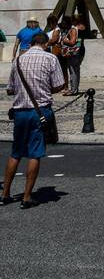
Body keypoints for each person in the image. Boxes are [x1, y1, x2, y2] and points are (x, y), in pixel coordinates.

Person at [3, 31, 67, 209]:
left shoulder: (18, 60)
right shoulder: (50, 59)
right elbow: (59, 84)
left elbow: (10, 89)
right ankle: (27, 196)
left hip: (20, 112)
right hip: (40, 111)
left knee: (16, 152)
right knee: (35, 153)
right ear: (45, 44)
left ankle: (5, 194)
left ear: (31, 43)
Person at [61, 19, 86, 95]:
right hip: (79, 52)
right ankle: (75, 89)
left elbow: (72, 42)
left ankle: (73, 90)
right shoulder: (78, 28)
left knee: (73, 71)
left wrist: (64, 40)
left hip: (73, 54)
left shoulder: (72, 30)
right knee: (76, 71)